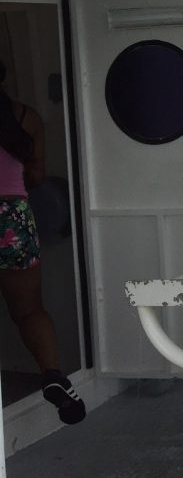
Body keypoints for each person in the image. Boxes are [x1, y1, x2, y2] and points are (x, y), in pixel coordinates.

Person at [0, 60, 85, 425]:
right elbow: (35, 174)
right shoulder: (26, 117)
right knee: (30, 310)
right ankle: (53, 376)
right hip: (12, 218)